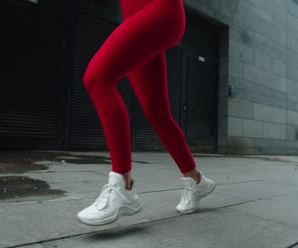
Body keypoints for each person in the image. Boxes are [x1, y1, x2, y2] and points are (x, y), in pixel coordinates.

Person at [76, 0, 215, 226]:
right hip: (137, 16)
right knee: (157, 113)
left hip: (159, 9)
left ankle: (123, 186)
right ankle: (198, 182)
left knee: (97, 78)